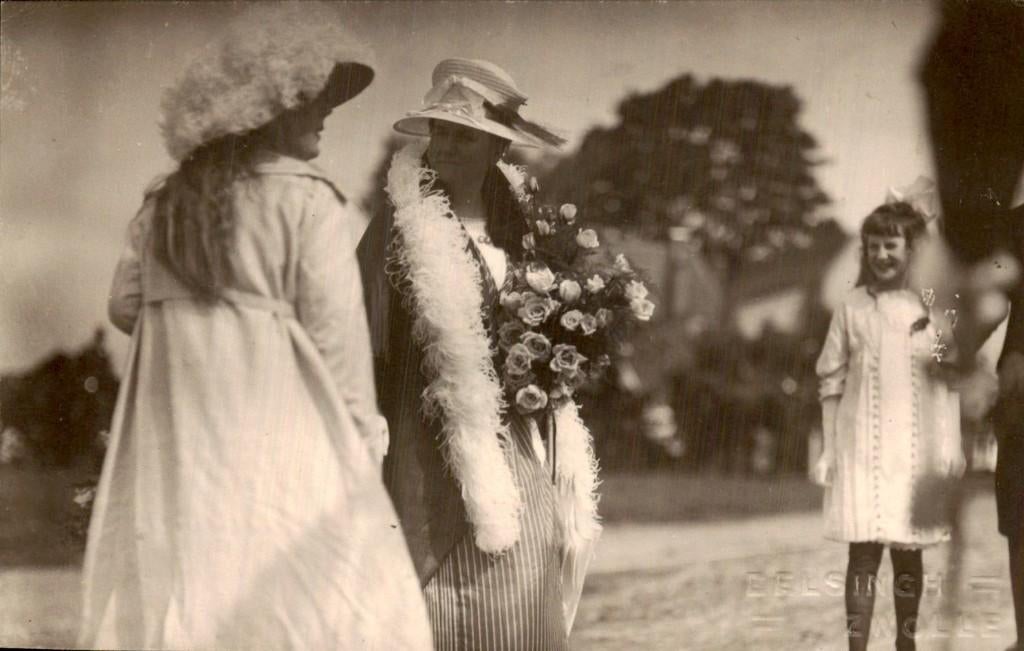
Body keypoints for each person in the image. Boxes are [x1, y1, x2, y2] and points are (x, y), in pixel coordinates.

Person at [79, 8, 432, 649]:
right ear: (269, 107)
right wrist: (359, 432)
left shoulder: (165, 201)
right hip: (280, 416)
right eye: (312, 97)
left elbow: (126, 306)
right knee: (297, 568)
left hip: (181, 422)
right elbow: (336, 336)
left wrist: (194, 330)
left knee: (191, 563)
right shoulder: (306, 198)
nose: (326, 109)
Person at [358, 58, 598, 649]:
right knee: (453, 596)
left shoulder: (521, 226)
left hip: (519, 432)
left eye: (464, 135)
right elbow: (361, 328)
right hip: (429, 431)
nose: (447, 146)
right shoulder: (399, 220)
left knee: (530, 564)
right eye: (441, 131)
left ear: (494, 147)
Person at [813, 201, 966, 651]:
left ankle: (906, 644)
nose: (881, 254)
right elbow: (831, 380)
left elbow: (949, 380)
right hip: (860, 443)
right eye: (873, 245)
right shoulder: (852, 307)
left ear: (913, 249)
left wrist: (951, 444)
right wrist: (828, 448)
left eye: (891, 245)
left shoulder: (933, 310)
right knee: (862, 552)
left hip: (913, 448)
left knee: (907, 552)